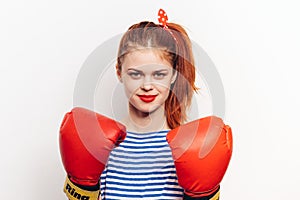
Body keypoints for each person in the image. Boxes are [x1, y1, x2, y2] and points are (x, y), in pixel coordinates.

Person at [59, 9, 232, 200]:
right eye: (135, 74)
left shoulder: (190, 147)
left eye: (159, 74)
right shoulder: (101, 145)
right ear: (119, 72)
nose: (147, 86)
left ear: (174, 75)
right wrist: (80, 187)